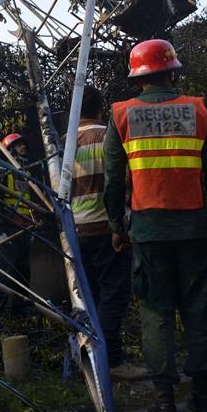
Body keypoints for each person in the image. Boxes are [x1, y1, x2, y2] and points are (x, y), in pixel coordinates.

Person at [104, 39, 207, 412]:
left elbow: (113, 181)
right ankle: (203, 397)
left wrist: (116, 226)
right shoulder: (198, 110)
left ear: (136, 77)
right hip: (194, 229)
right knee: (198, 307)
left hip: (148, 231)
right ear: (173, 72)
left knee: (156, 312)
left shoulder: (122, 114)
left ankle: (165, 401)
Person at [69, 86, 146, 381]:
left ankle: (89, 361)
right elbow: (126, 179)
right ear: (101, 109)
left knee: (88, 298)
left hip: (76, 231)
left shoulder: (64, 144)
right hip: (107, 227)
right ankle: (111, 361)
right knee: (113, 295)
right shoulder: (109, 138)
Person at [0, 133, 35, 318]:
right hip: (8, 230)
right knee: (6, 272)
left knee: (23, 271)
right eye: (18, 145)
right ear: (9, 149)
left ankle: (20, 311)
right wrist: (0, 231)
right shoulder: (1, 171)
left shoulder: (26, 174)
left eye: (23, 144)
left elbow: (28, 203)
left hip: (24, 229)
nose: (23, 147)